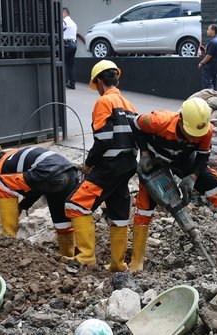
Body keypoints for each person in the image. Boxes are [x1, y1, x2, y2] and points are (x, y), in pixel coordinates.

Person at [128, 97, 217, 272]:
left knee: (215, 185)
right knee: (145, 206)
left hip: (184, 158)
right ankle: (137, 260)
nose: (194, 137)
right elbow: (135, 123)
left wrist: (192, 177)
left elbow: (202, 157)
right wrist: (146, 153)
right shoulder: (158, 121)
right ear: (181, 120)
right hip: (156, 159)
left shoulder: (205, 130)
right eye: (190, 133)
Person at [64, 60, 137, 272]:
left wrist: (88, 164)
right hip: (126, 167)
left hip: (109, 167)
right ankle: (117, 264)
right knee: (119, 213)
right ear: (116, 79)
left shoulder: (104, 102)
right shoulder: (128, 104)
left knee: (76, 204)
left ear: (98, 82)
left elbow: (104, 139)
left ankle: (86, 257)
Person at [0, 144, 80, 257]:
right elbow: (37, 187)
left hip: (48, 175)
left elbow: (10, 191)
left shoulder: (2, 168)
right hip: (70, 173)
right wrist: (20, 206)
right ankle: (68, 258)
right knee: (62, 224)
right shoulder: (16, 155)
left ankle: (8, 236)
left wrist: (11, 209)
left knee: (1, 181)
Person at [198, 24, 217, 90]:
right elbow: (213, 53)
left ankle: (209, 99)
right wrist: (204, 50)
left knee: (208, 84)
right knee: (214, 83)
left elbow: (209, 55)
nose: (207, 31)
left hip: (210, 66)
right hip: (215, 66)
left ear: (213, 30)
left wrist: (202, 63)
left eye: (208, 29)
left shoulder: (213, 42)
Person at [62, 7, 78, 89]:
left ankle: (63, 83)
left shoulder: (64, 21)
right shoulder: (74, 23)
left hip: (66, 44)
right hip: (74, 44)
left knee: (62, 63)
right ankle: (72, 83)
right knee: (71, 64)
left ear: (64, 13)